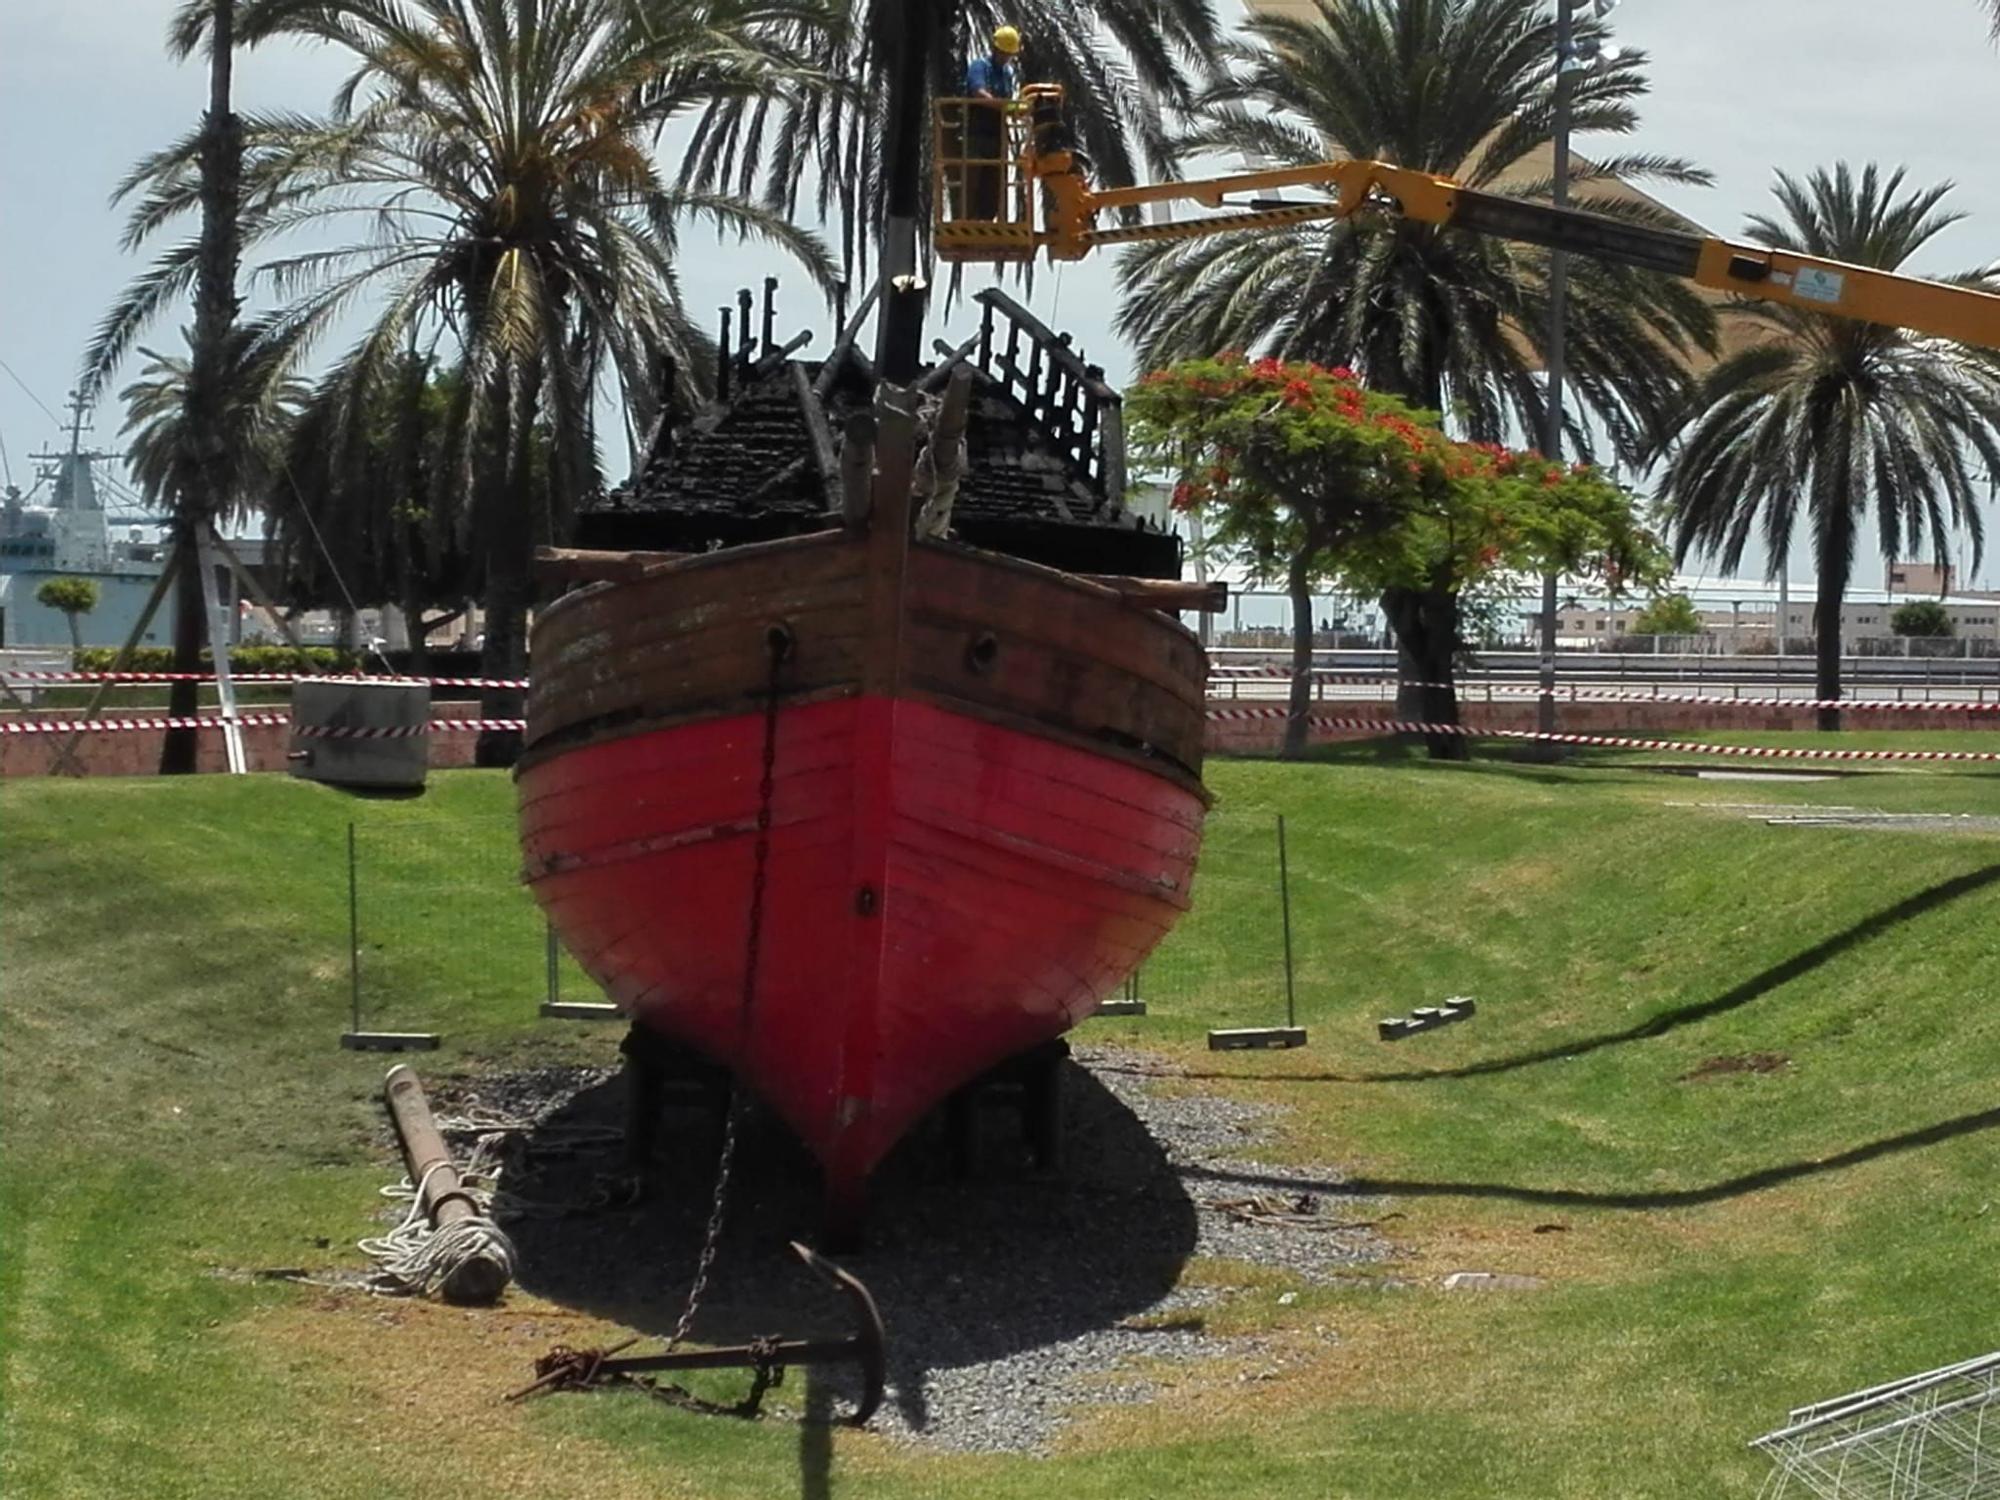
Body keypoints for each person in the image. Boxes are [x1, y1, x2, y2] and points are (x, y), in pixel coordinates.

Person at [962, 25, 1021, 221]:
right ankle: (969, 219)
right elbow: (979, 93)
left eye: (1009, 54)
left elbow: (1008, 101)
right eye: (1004, 53)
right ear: (995, 49)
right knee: (974, 179)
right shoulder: (979, 67)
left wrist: (1017, 110)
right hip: (977, 132)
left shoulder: (1007, 73)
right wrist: (1004, 106)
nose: (1006, 58)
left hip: (997, 134)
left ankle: (988, 220)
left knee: (995, 183)